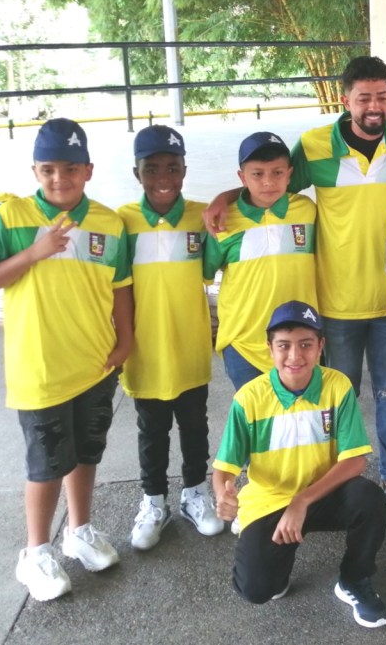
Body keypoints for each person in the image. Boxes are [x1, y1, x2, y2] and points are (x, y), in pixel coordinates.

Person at [203, 57, 386, 521]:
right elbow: (269, 185)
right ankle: (329, 486)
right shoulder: (314, 146)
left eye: (382, 96)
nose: (374, 106)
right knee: (332, 399)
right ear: (345, 99)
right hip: (335, 304)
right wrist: (225, 196)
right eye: (363, 97)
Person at [0, 118, 133, 601]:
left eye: (69, 169)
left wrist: (125, 342)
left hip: (94, 364)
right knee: (45, 462)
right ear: (35, 170)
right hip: (38, 367)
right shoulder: (12, 217)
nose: (58, 179)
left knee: (86, 452)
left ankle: (79, 531)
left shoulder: (108, 222)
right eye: (47, 170)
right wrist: (36, 253)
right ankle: (35, 552)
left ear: (88, 170)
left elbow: (121, 289)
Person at [212, 300, 386, 628]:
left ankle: (354, 580)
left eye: (306, 345)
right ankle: (278, 564)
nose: (295, 356)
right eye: (284, 346)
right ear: (270, 349)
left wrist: (302, 501)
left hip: (322, 494)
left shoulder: (337, 386)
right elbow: (224, 467)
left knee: (372, 501)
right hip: (270, 502)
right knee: (256, 589)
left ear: (321, 346)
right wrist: (222, 493)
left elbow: (354, 461)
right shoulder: (249, 399)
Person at [117, 125, 224, 549]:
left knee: (195, 424)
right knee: (152, 428)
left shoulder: (201, 217)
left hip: (189, 344)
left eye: (173, 168)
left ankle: (195, 493)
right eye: (152, 168)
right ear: (136, 172)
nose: (163, 176)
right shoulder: (121, 221)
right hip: (145, 349)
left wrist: (223, 201)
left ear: (184, 171)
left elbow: (209, 269)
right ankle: (153, 500)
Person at [203, 131, 317, 390]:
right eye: (257, 174)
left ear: (289, 173)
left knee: (298, 422)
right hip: (243, 345)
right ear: (242, 177)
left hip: (300, 342)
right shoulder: (223, 222)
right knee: (254, 424)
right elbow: (204, 272)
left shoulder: (307, 212)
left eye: (277, 173)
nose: (268, 182)